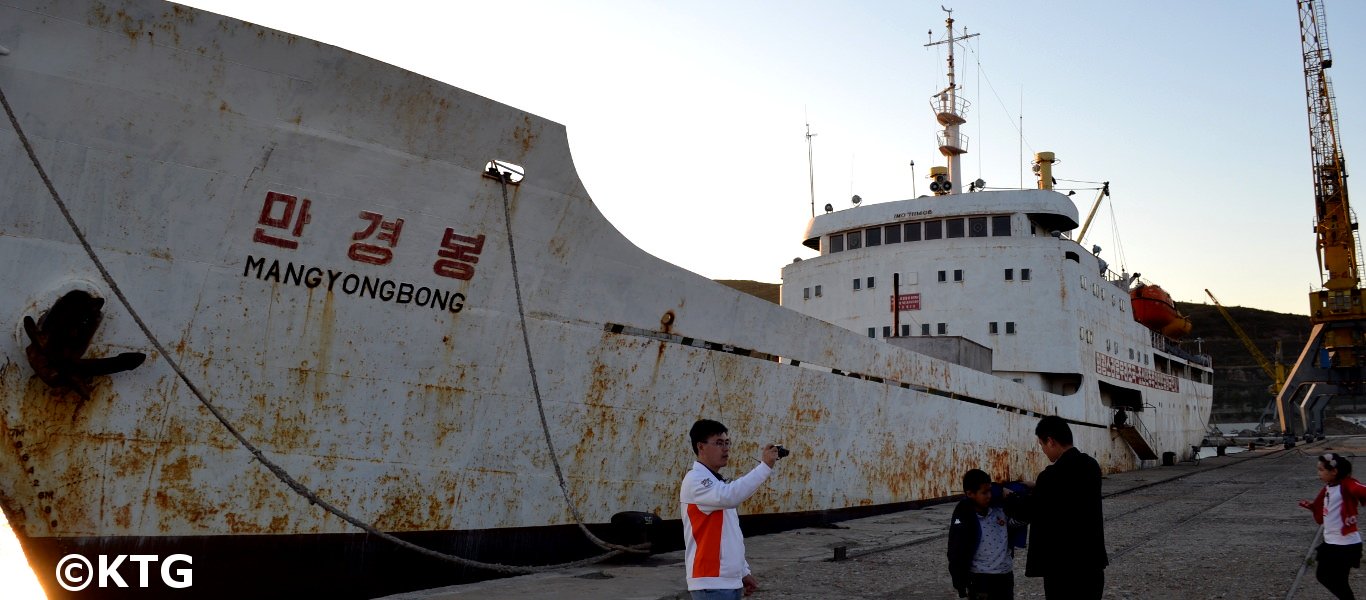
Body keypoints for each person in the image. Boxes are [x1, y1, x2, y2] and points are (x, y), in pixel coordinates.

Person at [680, 419, 782, 599]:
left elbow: (730, 535)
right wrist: (764, 467)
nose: (725, 448)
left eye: (727, 443)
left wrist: (742, 572)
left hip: (727, 582)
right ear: (700, 447)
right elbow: (730, 496)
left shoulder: (717, 484)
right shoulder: (695, 480)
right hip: (711, 583)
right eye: (719, 443)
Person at [1011, 415, 1107, 599]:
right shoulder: (1091, 466)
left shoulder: (1050, 476)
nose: (1043, 451)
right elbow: (1069, 494)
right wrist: (1039, 487)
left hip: (1062, 569)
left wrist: (1010, 497)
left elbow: (1031, 510)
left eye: (1042, 445)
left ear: (1051, 441)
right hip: (1091, 563)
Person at [1298, 452, 1366, 599]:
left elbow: (1360, 489)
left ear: (1334, 471)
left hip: (1346, 544)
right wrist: (1313, 507)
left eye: (1321, 470)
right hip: (1332, 542)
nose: (1318, 473)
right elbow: (1324, 509)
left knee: (1329, 578)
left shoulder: (1347, 484)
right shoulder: (1329, 487)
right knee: (1331, 578)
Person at [947, 468, 1020, 599]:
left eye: (990, 491)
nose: (989, 496)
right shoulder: (964, 516)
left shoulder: (999, 510)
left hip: (1005, 576)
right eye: (984, 493)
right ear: (970, 494)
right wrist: (960, 583)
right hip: (980, 579)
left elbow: (1020, 519)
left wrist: (1010, 495)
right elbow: (956, 551)